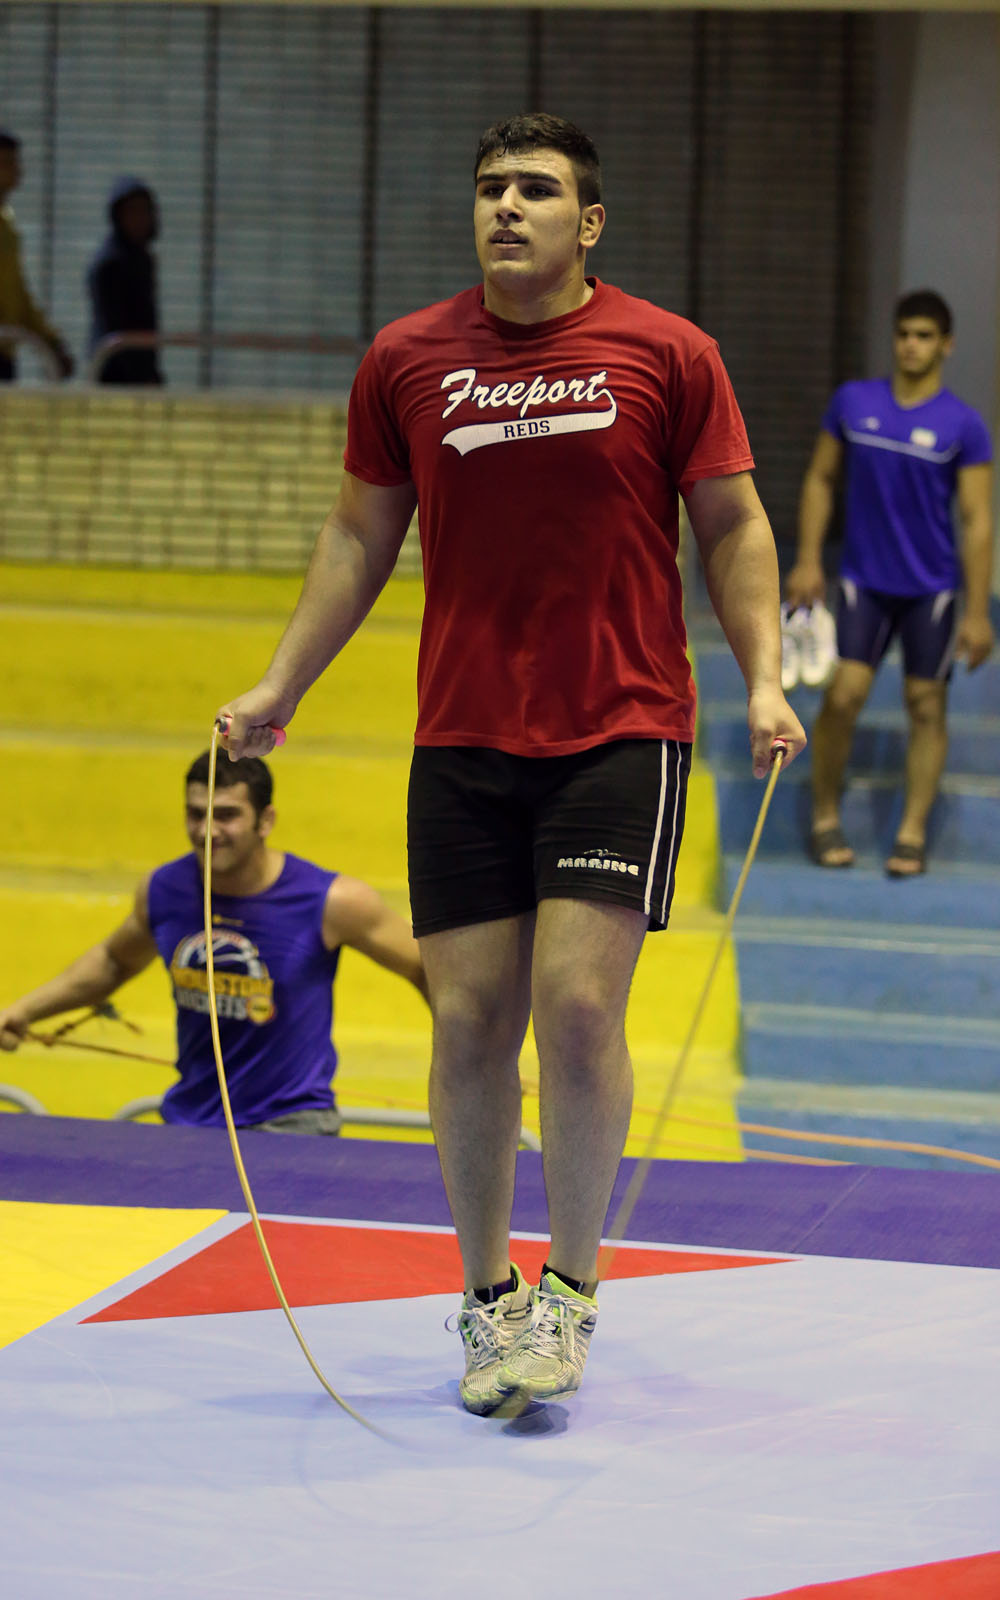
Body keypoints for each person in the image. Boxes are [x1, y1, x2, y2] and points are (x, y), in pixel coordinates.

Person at [218, 112, 805, 1412]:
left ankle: (571, 1293)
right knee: (471, 1019)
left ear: (588, 223)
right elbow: (356, 536)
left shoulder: (669, 353)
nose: (506, 206)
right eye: (490, 187)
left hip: (621, 728)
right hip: (464, 737)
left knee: (579, 1009)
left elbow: (733, 524)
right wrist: (279, 685)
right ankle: (489, 1303)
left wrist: (763, 675)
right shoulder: (407, 359)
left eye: (536, 189)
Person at [0, 750, 427, 1133]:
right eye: (195, 814)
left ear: (266, 821)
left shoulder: (332, 901)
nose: (207, 830)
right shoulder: (163, 889)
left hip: (292, 1127)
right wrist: (23, 1011)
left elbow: (425, 968)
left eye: (225, 815)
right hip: (189, 1121)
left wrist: (458, 1061)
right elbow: (114, 962)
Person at [786, 289, 994, 876]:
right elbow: (820, 479)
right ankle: (825, 817)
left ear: (946, 345)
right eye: (904, 333)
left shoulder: (965, 425)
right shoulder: (854, 403)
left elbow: (978, 520)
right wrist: (807, 559)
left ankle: (911, 832)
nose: (911, 345)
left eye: (924, 336)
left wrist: (978, 613)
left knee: (926, 705)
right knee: (843, 696)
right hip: (864, 582)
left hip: (932, 591)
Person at [0, 128, 74, 381]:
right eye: (6, 163)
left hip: (5, 351)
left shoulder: (6, 226)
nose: (16, 170)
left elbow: (18, 294)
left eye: (15, 162)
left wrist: (50, 340)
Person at [87, 177, 163, 386]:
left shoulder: (142, 258)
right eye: (132, 211)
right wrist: (140, 376)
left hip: (142, 369)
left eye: (144, 210)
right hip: (115, 373)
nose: (139, 218)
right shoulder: (110, 264)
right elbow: (115, 326)